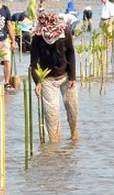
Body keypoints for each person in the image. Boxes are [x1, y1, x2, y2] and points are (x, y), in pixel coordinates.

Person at [30, 11, 78, 142]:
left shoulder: (65, 32)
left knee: (72, 109)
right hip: (48, 80)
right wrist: (37, 82)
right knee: (51, 115)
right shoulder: (38, 37)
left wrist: (73, 77)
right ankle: (54, 145)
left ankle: (74, 137)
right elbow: (33, 63)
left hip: (66, 76)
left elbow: (71, 53)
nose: (50, 34)